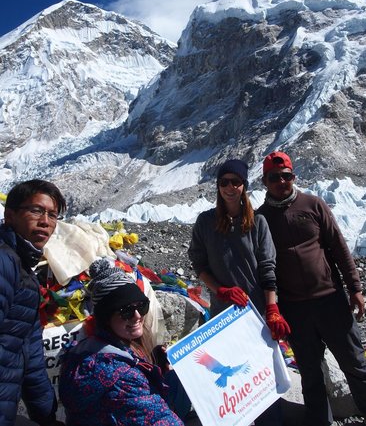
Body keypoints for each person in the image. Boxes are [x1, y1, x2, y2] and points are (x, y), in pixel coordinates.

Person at [257, 151, 366, 426]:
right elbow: (260, 265)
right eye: (275, 178)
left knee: (356, 365)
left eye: (286, 176)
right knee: (310, 373)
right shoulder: (261, 218)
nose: (281, 182)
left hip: (330, 301)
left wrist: (355, 288)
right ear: (265, 181)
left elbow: (339, 247)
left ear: (293, 177)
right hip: (294, 309)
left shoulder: (313, 205)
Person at [188, 159, 290, 426]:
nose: (230, 188)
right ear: (218, 186)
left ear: (244, 185)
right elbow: (198, 264)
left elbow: (268, 268)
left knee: (262, 375)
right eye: (224, 182)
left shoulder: (258, 223)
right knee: (235, 381)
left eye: (236, 182)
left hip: (256, 314)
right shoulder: (205, 221)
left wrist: (272, 309)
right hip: (224, 316)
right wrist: (219, 289)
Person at [59, 257, 183, 426]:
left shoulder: (85, 349)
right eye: (126, 311)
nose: (138, 316)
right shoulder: (122, 378)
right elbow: (158, 420)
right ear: (106, 317)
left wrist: (154, 366)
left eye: (141, 306)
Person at [0, 179, 67, 426]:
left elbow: (32, 361)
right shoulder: (4, 262)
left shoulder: (22, 269)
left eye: (52, 215)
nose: (45, 222)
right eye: (36, 210)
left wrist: (48, 419)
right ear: (10, 215)